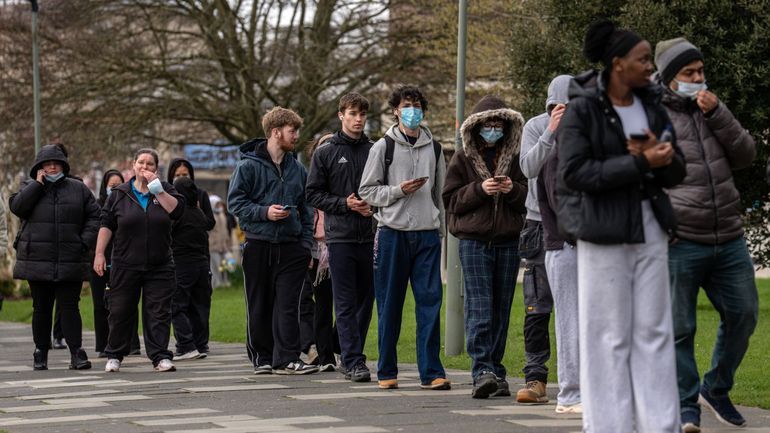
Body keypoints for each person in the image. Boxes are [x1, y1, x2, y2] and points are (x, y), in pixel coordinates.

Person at [556, 20, 687, 433]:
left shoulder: (651, 104)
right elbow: (574, 173)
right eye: (643, 59)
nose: (651, 66)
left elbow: (675, 169)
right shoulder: (584, 108)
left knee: (654, 332)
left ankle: (660, 425)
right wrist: (639, 162)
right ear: (617, 64)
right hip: (604, 233)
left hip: (650, 228)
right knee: (608, 337)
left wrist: (658, 157)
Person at [655, 37, 757, 432]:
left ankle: (716, 387)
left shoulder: (712, 108)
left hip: (728, 236)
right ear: (669, 79)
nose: (698, 78)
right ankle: (685, 408)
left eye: (700, 71)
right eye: (688, 73)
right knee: (680, 329)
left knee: (744, 314)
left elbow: (745, 154)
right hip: (681, 241)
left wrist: (719, 114)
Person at [359, 85, 450, 391]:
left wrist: (439, 232)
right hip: (391, 236)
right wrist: (399, 190)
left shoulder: (435, 149)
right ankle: (386, 370)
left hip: (426, 237)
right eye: (407, 105)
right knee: (390, 305)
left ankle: (432, 372)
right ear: (396, 110)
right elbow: (367, 191)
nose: (413, 110)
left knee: (430, 304)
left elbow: (441, 196)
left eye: (417, 105)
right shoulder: (382, 148)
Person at [443, 95, 527, 399]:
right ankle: (482, 370)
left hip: (507, 240)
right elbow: (450, 201)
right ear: (476, 127)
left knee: (501, 308)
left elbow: (527, 198)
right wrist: (479, 189)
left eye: (498, 125)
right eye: (487, 125)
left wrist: (511, 189)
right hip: (474, 241)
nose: (493, 129)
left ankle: (496, 369)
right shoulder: (463, 159)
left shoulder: (516, 157)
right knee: (479, 306)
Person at [227, 106, 317, 375]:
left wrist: (305, 245)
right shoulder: (247, 167)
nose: (297, 136)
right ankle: (261, 357)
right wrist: (264, 212)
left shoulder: (298, 169)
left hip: (291, 248)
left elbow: (307, 208)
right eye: (293, 131)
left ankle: (287, 357)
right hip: (258, 244)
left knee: (288, 305)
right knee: (259, 303)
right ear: (276, 132)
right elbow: (236, 203)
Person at [9, 144, 101, 370]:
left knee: (70, 307)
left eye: (56, 163)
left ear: (64, 165)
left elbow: (95, 216)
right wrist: (37, 186)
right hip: (37, 260)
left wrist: (83, 242)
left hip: (70, 258)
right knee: (41, 308)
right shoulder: (28, 187)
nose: (52, 166)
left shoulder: (78, 189)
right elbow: (17, 207)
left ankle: (76, 353)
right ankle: (40, 352)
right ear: (39, 167)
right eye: (47, 163)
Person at [94, 148, 185, 373]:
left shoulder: (167, 190)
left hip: (160, 264)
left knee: (158, 312)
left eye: (150, 164)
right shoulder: (119, 194)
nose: (145, 167)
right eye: (141, 163)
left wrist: (159, 191)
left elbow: (177, 212)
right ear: (134, 166)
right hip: (126, 263)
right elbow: (106, 224)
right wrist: (99, 253)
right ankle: (114, 354)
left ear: (156, 168)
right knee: (120, 310)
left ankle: (160, 357)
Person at [306, 93, 376, 382]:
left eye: (362, 114)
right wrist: (343, 204)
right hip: (340, 237)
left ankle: (348, 350)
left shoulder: (376, 150)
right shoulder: (326, 153)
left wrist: (375, 203)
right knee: (344, 300)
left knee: (366, 301)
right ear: (341, 115)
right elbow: (312, 193)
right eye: (352, 113)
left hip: (371, 236)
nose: (358, 119)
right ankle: (353, 360)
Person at [516, 74, 572, 403]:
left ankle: (580, 378)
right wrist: (552, 131)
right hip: (538, 226)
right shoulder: (536, 127)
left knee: (579, 306)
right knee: (537, 305)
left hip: (577, 226)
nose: (563, 111)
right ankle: (536, 378)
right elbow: (528, 167)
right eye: (557, 106)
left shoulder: (587, 127)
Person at [536, 88, 583, 414]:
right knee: (570, 322)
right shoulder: (556, 156)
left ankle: (580, 390)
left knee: (583, 321)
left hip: (575, 245)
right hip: (565, 247)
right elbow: (562, 207)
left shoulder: (573, 152)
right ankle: (570, 394)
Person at [88, 169, 141, 358]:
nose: (116, 188)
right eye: (112, 186)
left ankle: (132, 343)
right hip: (100, 261)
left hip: (125, 261)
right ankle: (103, 345)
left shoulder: (129, 204)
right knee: (100, 305)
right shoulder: (96, 207)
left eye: (119, 184)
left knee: (128, 303)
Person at [300, 133, 339, 372]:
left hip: (344, 243)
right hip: (318, 249)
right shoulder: (308, 181)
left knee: (350, 303)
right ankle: (325, 355)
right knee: (322, 303)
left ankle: (339, 345)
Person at [170, 176, 215, 360]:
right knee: (199, 306)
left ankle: (186, 345)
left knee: (176, 306)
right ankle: (200, 343)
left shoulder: (178, 214)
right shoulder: (199, 213)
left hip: (182, 264)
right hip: (201, 264)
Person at [167, 158, 215, 228]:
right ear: (171, 177)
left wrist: (198, 212)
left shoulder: (201, 194)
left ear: (191, 175)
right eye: (177, 175)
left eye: (184, 175)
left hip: (197, 237)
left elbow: (210, 224)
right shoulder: (167, 195)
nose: (181, 178)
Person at [208, 195, 231, 288]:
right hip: (213, 246)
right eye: (217, 204)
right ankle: (215, 284)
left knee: (224, 266)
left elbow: (225, 231)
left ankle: (224, 282)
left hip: (223, 246)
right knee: (215, 267)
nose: (219, 206)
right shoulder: (210, 216)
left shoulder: (222, 215)